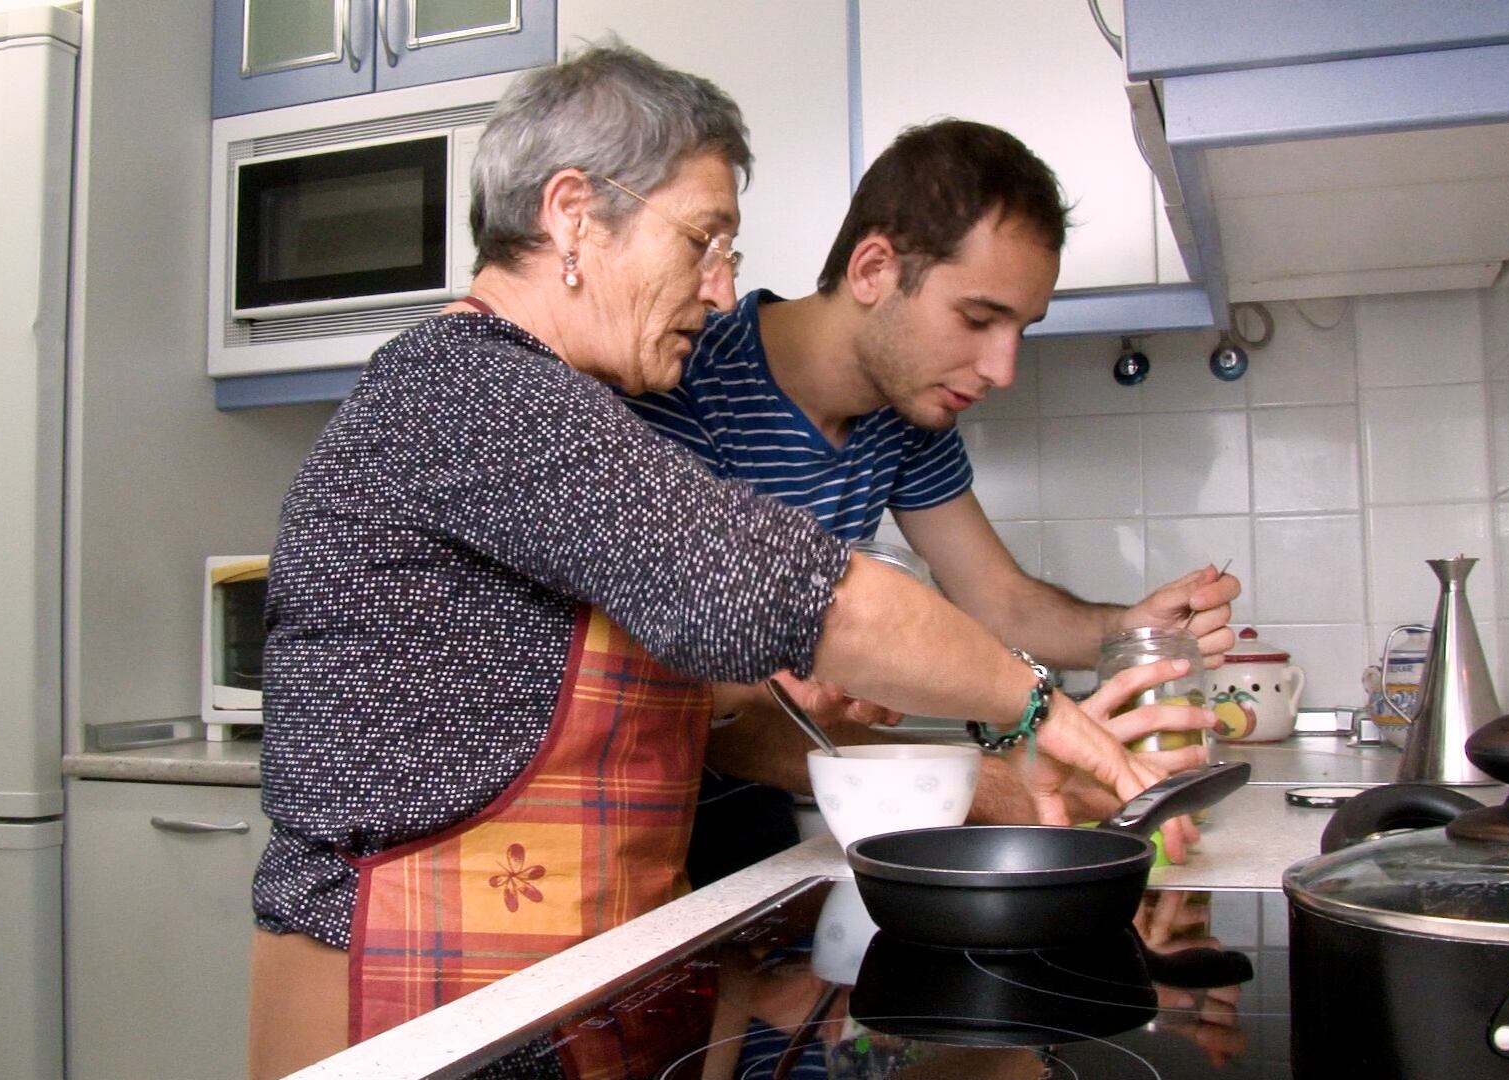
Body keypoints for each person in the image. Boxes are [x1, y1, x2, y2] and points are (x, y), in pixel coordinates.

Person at [247, 47, 1200, 1080]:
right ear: (573, 215)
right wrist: (1036, 708)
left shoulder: (568, 409)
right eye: (704, 239)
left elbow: (688, 706)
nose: (725, 286)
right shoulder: (468, 392)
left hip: (563, 980)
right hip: (406, 992)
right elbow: (807, 596)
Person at [626, 119, 1242, 878]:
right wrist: (990, 783)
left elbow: (1000, 602)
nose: (1002, 366)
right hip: (649, 828)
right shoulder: (681, 381)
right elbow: (685, 704)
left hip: (763, 820)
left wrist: (1124, 628)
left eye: (1021, 328)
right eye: (979, 319)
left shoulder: (907, 412)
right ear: (874, 268)